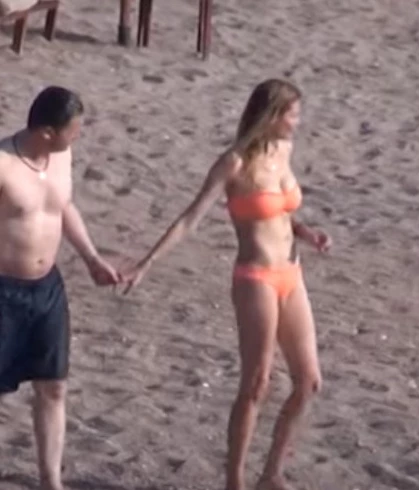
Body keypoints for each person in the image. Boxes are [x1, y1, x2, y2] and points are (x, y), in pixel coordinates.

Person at [121, 79, 331, 490]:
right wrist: (146, 263)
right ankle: (234, 481)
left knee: (309, 382)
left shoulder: (284, 149)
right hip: (256, 278)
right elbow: (190, 218)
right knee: (257, 383)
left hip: (292, 272)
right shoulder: (234, 163)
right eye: (292, 114)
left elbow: (281, 213)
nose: (297, 122)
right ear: (272, 115)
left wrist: (305, 232)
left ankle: (271, 474)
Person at [0, 86, 120, 490]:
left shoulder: (62, 156)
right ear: (46, 132)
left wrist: (92, 258)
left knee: (53, 386)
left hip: (46, 290)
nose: (78, 135)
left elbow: (64, 207)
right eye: (72, 129)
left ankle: (50, 479)